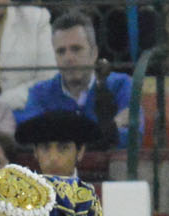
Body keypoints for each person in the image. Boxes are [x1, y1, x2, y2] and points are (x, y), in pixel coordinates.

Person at [14, 11, 132, 149]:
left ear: (94, 53)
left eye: (76, 49)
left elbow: (131, 139)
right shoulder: (39, 93)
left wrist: (58, 134)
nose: (68, 58)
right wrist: (110, 129)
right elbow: (30, 138)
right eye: (61, 51)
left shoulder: (121, 86)